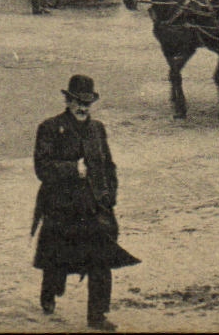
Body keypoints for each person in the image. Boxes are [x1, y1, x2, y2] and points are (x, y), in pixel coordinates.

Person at [32, 75, 139, 332]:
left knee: (101, 259)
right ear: (68, 101)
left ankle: (97, 316)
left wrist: (109, 196)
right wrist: (73, 169)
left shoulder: (97, 129)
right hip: (62, 209)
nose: (83, 108)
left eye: (88, 103)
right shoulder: (49, 128)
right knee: (56, 259)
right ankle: (49, 293)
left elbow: (108, 165)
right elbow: (42, 168)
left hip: (94, 209)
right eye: (78, 102)